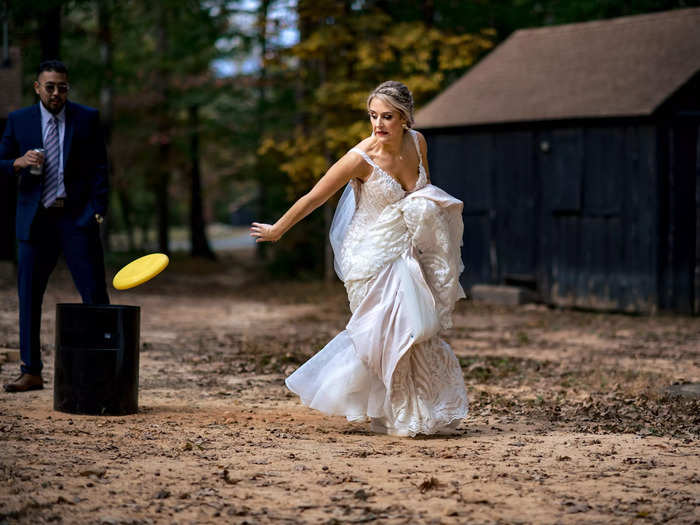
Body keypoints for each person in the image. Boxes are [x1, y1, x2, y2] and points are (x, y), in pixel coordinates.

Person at [251, 81, 468, 436]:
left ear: (405, 119)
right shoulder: (360, 158)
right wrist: (277, 229)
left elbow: (424, 191)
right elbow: (314, 196)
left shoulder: (418, 142)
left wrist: (430, 222)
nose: (378, 126)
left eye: (387, 117)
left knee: (416, 328)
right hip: (369, 252)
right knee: (383, 333)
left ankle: (412, 407)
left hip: (407, 247)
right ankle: (382, 407)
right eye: (372, 116)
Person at [0, 60, 109, 393]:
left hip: (76, 220)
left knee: (95, 297)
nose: (57, 93)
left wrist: (97, 213)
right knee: (29, 298)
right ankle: (31, 371)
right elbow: (1, 162)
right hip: (35, 221)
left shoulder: (87, 118)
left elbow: (100, 170)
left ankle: (103, 370)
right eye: (50, 87)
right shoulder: (20, 121)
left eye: (63, 87)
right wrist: (18, 163)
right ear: (37, 88)